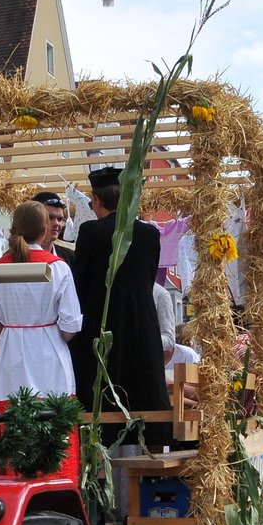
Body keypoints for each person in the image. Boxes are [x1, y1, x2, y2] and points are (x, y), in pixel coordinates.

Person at [68, 166, 170, 444]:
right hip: (140, 326)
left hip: (101, 326)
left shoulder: (91, 231)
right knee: (142, 389)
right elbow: (148, 280)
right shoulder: (149, 235)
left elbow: (81, 282)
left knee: (100, 390)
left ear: (97, 201)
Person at [0, 201, 81, 404]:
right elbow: (71, 323)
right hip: (50, 354)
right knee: (55, 424)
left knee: (15, 422)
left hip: (12, 355)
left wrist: (13, 325)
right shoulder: (59, 267)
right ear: (44, 229)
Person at [31, 191, 75, 265]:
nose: (56, 223)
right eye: (49, 217)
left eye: (60, 219)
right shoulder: (16, 258)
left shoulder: (70, 257)